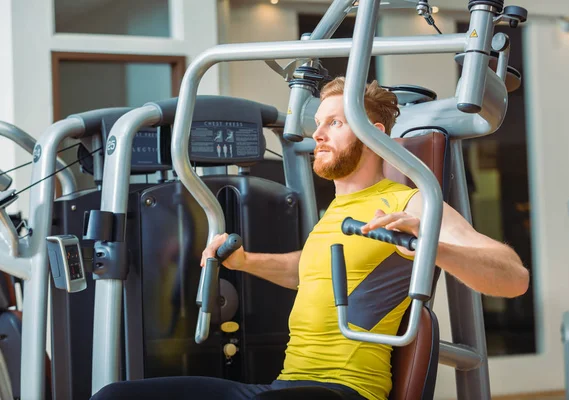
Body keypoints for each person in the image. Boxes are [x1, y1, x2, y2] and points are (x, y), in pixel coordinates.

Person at [91, 78, 529, 400]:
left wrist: (428, 245)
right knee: (114, 397)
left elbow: (513, 278)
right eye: (319, 123)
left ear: (373, 131)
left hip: (344, 391)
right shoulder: (332, 213)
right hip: (284, 387)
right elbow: (307, 271)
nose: (317, 134)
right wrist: (245, 262)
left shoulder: (410, 203)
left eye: (334, 123)